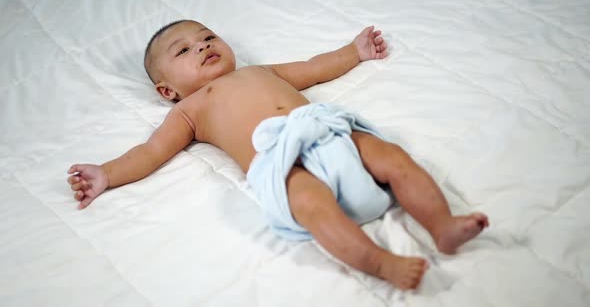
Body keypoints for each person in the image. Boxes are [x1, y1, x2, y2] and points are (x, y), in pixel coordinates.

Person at [67, 20, 489, 290]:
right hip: (279, 162)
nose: (202, 46)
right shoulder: (189, 111)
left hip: (325, 132)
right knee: (310, 204)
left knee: (393, 156)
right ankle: (379, 262)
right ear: (166, 90)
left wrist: (354, 51)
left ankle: (442, 225)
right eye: (183, 51)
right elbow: (150, 151)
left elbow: (314, 66)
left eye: (208, 37)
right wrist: (105, 173)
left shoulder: (258, 71)